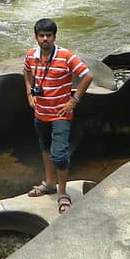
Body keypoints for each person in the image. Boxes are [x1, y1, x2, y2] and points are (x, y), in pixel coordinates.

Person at [23, 17, 92, 213]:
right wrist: (29, 93)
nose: (45, 39)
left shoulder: (66, 56)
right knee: (45, 148)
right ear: (36, 37)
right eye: (41, 35)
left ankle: (62, 193)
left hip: (60, 114)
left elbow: (87, 76)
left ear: (54, 37)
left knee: (59, 155)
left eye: (48, 35)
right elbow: (27, 72)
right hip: (41, 113)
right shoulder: (31, 55)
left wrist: (74, 100)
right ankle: (49, 183)